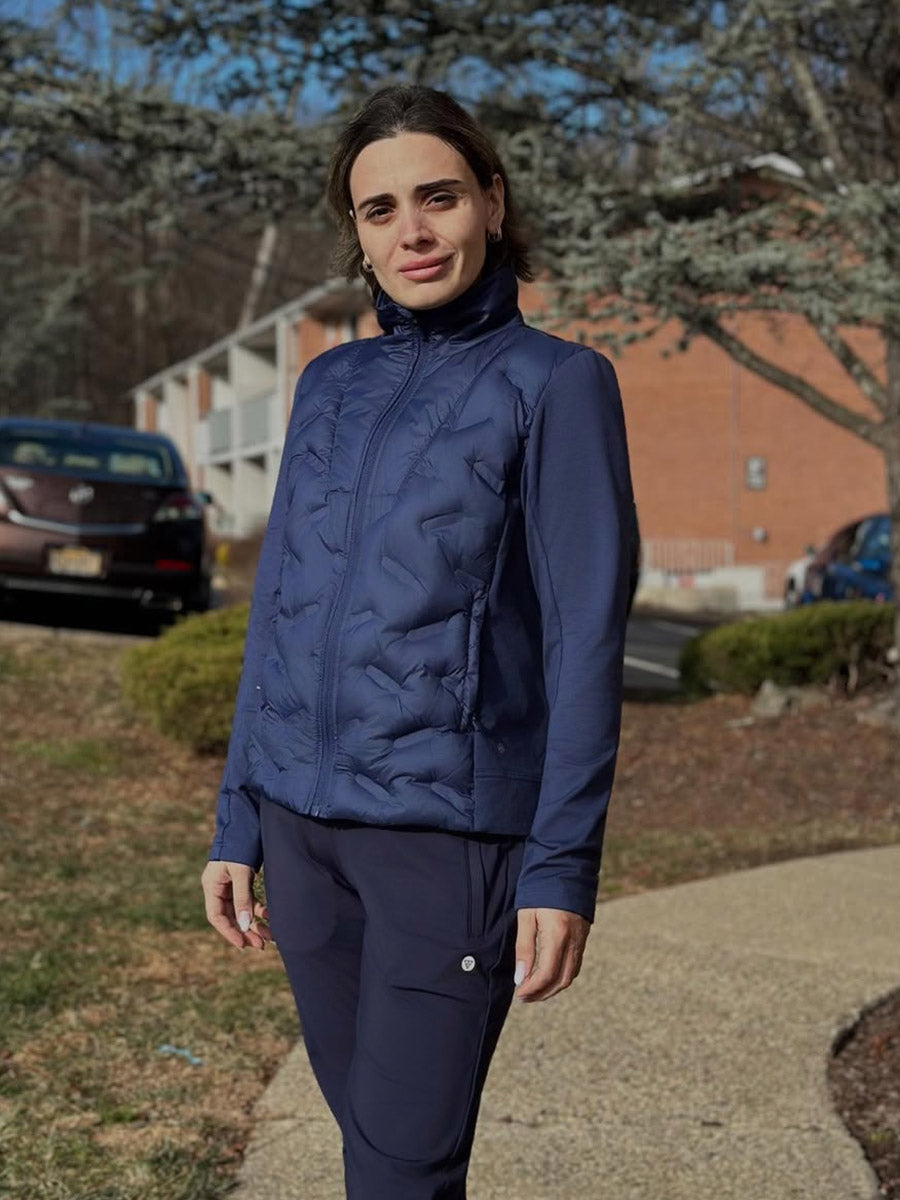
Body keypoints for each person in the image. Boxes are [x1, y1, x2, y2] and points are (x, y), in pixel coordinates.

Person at [201, 83, 636, 1200]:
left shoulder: (558, 385)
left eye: (438, 197)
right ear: (357, 233)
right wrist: (239, 817)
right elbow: (279, 607)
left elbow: (586, 642)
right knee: (376, 1157)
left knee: (402, 1172)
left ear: (492, 200)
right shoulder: (328, 384)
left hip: (446, 849)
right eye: (380, 209)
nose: (414, 231)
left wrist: (561, 868)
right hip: (303, 841)